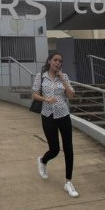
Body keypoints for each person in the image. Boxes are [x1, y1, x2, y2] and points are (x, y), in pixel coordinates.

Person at [32, 51, 78, 197]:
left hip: (63, 115)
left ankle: (68, 182)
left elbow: (71, 96)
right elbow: (34, 94)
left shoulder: (64, 77)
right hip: (47, 116)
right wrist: (46, 99)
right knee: (55, 149)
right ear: (49, 61)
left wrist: (63, 79)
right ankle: (43, 160)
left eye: (60, 61)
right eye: (55, 60)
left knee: (68, 148)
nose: (58, 63)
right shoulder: (41, 76)